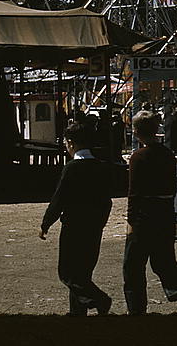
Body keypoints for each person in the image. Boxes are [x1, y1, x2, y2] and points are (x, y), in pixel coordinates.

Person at [122, 110, 177, 315]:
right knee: (163, 263)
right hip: (164, 214)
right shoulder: (168, 155)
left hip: (143, 216)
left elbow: (135, 194)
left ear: (136, 131)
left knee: (133, 266)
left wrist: (130, 221)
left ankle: (136, 309)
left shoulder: (138, 157)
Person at [38, 121, 114, 316]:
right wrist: (100, 222)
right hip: (94, 226)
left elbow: (59, 199)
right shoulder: (101, 167)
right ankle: (77, 311)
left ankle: (99, 299)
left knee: (68, 272)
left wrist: (46, 223)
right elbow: (107, 201)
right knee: (84, 270)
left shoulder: (71, 168)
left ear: (70, 143)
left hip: (73, 226)